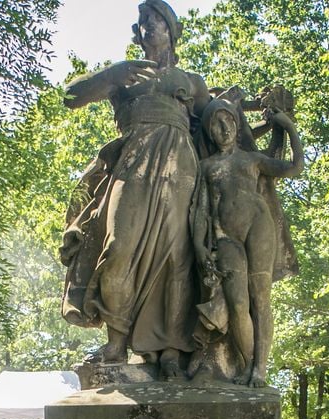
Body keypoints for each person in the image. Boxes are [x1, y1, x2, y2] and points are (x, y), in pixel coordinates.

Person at [60, 0, 210, 379]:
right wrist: (113, 73)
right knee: (117, 250)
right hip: (133, 166)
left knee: (178, 260)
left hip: (181, 170)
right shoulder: (124, 77)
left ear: (172, 31)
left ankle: (172, 349)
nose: (148, 26)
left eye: (156, 20)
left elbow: (218, 126)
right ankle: (117, 339)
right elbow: (70, 96)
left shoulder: (191, 82)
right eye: (142, 21)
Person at [190, 96, 303, 386]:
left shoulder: (251, 160)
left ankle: (259, 370)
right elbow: (201, 210)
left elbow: (294, 168)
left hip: (258, 226)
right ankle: (246, 364)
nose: (223, 128)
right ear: (210, 131)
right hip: (225, 238)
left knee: (260, 297)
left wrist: (288, 127)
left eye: (228, 120)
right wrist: (200, 245)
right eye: (216, 124)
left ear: (237, 125)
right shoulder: (206, 166)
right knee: (238, 303)